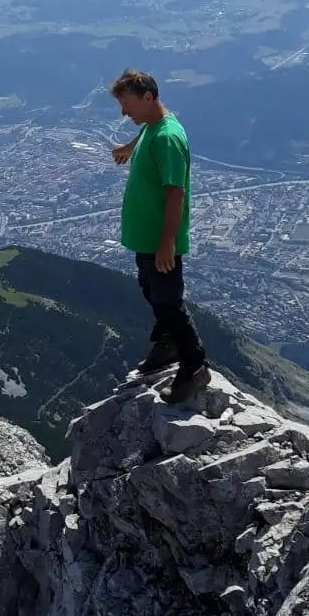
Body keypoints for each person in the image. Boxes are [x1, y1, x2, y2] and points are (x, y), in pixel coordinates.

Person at [110, 68, 210, 402]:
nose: (124, 113)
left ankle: (194, 366)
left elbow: (175, 193)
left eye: (128, 105)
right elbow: (150, 130)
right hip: (147, 238)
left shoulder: (168, 138)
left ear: (148, 97)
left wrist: (167, 242)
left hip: (159, 240)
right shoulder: (154, 126)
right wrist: (129, 146)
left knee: (168, 300)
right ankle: (168, 344)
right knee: (152, 292)